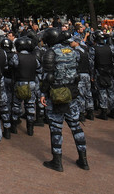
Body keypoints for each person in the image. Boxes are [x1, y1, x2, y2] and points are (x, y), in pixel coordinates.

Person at [39, 28, 88, 171]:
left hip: (56, 93)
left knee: (55, 127)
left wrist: (43, 93)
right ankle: (83, 160)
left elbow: (47, 76)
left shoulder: (50, 53)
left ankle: (57, 161)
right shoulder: (73, 52)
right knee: (76, 126)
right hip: (71, 92)